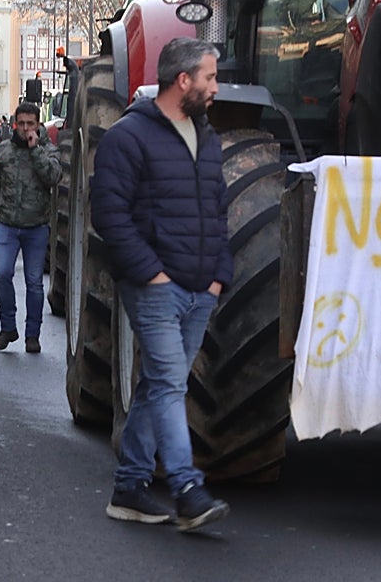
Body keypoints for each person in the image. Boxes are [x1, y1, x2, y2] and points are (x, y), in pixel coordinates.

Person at [91, 37, 233, 533]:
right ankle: (187, 488)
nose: (217, 87)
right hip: (155, 287)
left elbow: (217, 210)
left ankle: (129, 487)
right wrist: (151, 273)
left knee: (157, 385)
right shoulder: (128, 137)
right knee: (171, 383)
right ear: (183, 80)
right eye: (210, 77)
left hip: (199, 288)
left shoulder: (205, 137)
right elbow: (109, 215)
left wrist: (219, 276)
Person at [0, 102, 61, 353]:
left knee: (34, 282)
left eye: (30, 124)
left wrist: (35, 151)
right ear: (14, 124)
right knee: (2, 274)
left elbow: (53, 177)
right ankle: (7, 327)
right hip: (8, 225)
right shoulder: (4, 151)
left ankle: (33, 335)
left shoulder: (48, 151)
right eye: (20, 124)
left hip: (36, 226)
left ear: (38, 125)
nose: (25, 129)